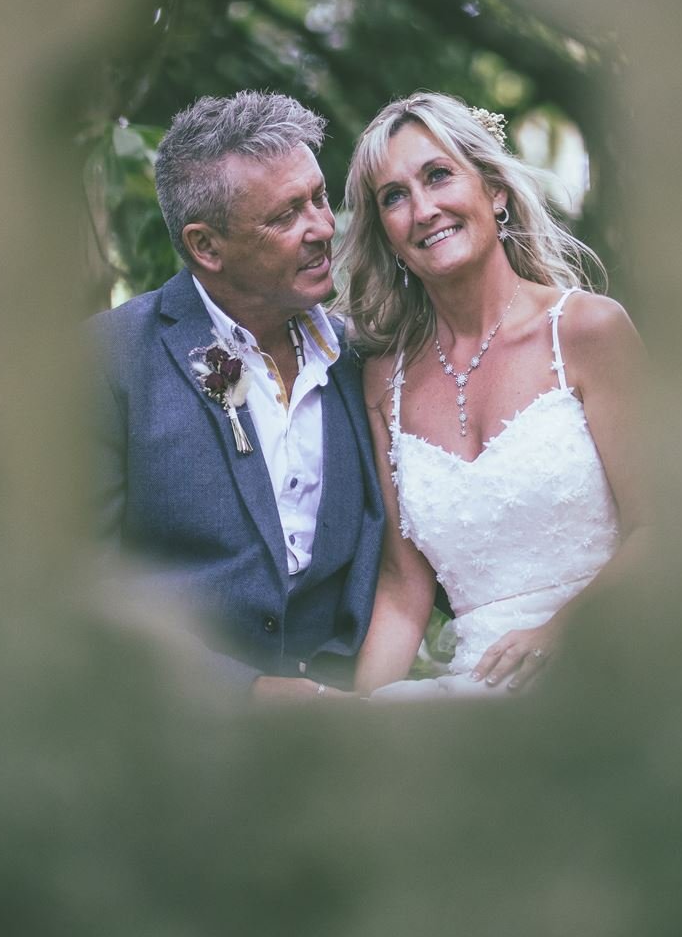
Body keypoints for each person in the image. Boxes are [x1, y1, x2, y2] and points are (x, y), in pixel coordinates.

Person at [337, 91, 648, 698]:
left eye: (438, 175)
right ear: (386, 234)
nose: (422, 209)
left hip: (614, 659)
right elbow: (404, 591)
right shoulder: (384, 382)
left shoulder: (587, 331)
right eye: (394, 197)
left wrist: (564, 631)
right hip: (475, 689)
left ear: (495, 191)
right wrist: (355, 717)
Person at [91, 91, 384, 702]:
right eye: (285, 216)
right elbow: (76, 583)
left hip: (352, 732)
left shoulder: (366, 359)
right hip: (173, 739)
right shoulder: (110, 360)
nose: (323, 228)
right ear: (207, 247)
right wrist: (244, 693)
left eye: (320, 198)